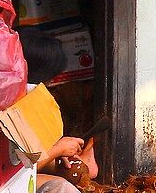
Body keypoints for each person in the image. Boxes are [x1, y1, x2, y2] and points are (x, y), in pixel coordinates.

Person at [18, 27, 99, 183]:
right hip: (10, 185)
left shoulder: (30, 99)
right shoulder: (16, 105)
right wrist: (58, 149)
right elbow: (18, 170)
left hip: (26, 169)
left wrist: (58, 151)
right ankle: (84, 165)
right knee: (59, 186)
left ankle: (82, 164)